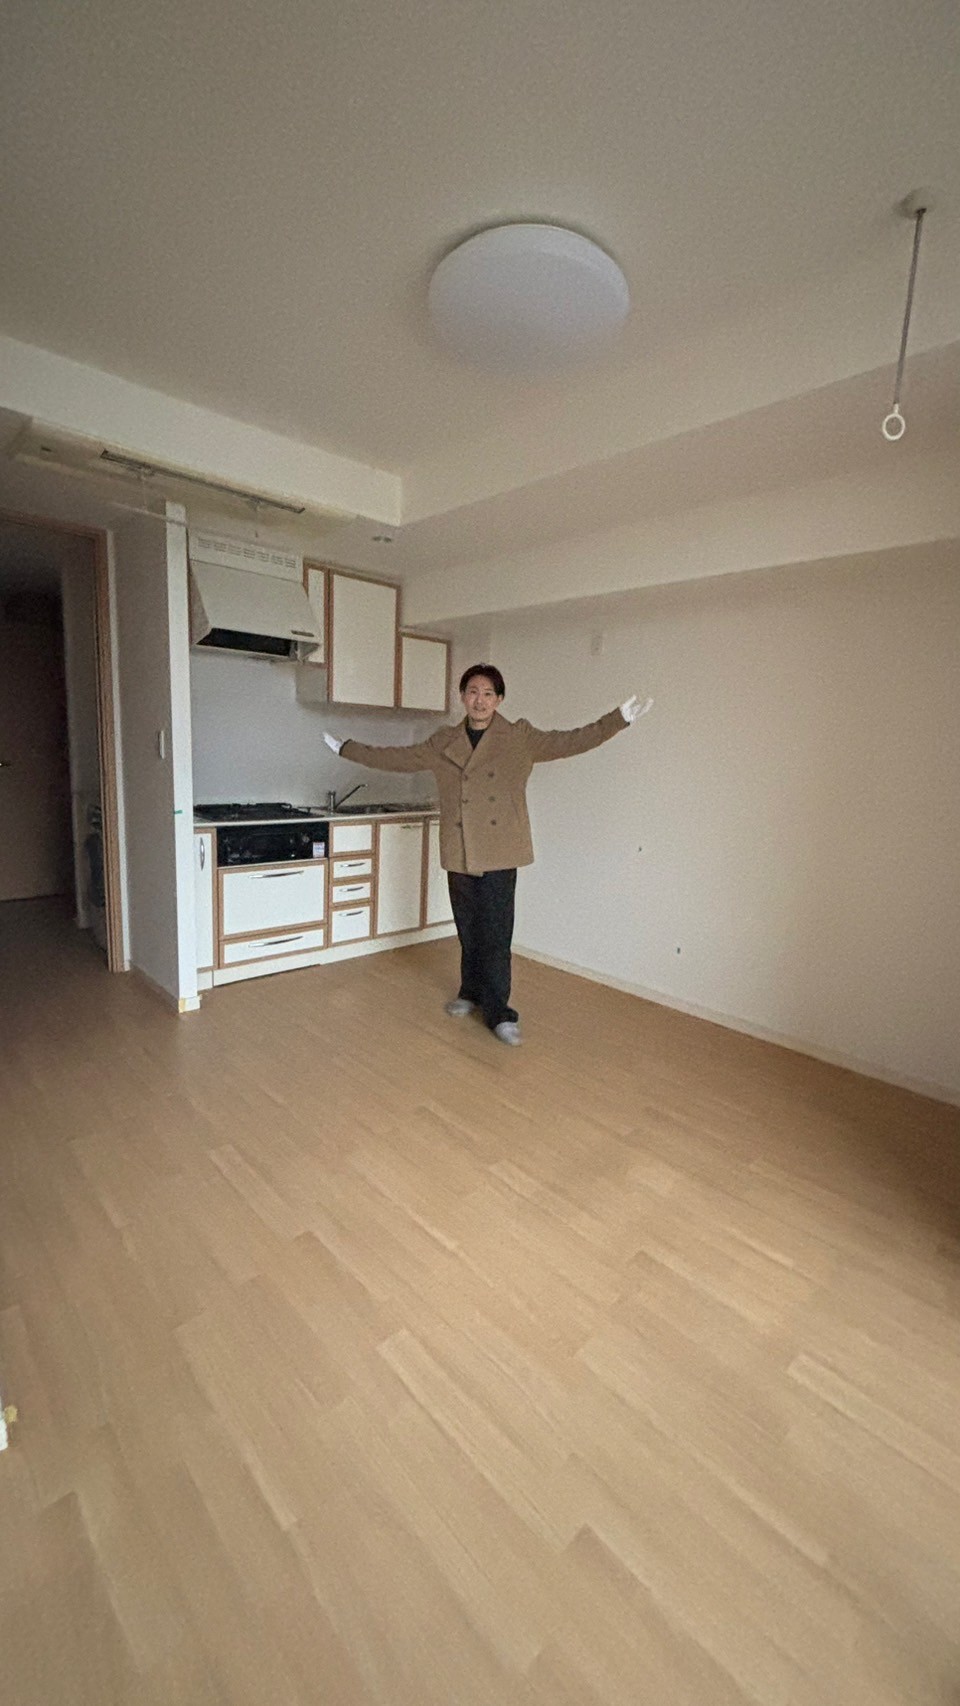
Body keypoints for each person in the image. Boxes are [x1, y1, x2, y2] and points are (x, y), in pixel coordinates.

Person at [323, 664, 652, 1046]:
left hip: (499, 849)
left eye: (488, 693)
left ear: (499, 699)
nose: (480, 700)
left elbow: (572, 741)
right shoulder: (443, 742)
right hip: (460, 848)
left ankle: (499, 1012)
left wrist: (618, 719)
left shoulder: (519, 737)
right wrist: (347, 749)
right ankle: (470, 992)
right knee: (469, 929)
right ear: (463, 696)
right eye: (473, 692)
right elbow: (399, 758)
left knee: (495, 935)